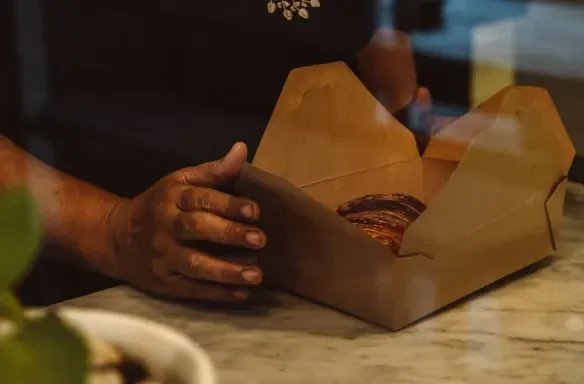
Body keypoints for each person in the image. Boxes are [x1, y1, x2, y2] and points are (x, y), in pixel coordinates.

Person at [2, 0, 447, 303]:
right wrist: (113, 229)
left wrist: (402, 145)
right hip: (81, 303)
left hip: (321, 291)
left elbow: (382, 62)